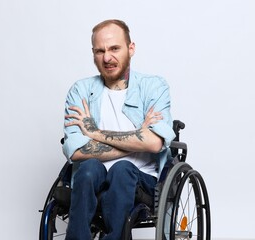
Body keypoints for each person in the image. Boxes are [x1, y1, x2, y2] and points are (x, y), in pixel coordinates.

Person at [62, 19, 176, 240]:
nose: (107, 58)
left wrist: (94, 133)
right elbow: (75, 152)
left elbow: (155, 143)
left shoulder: (154, 87)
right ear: (93, 54)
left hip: (140, 180)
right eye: (100, 51)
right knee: (87, 169)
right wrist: (138, 140)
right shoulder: (80, 91)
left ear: (130, 49)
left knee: (121, 169)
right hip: (93, 179)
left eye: (114, 48)